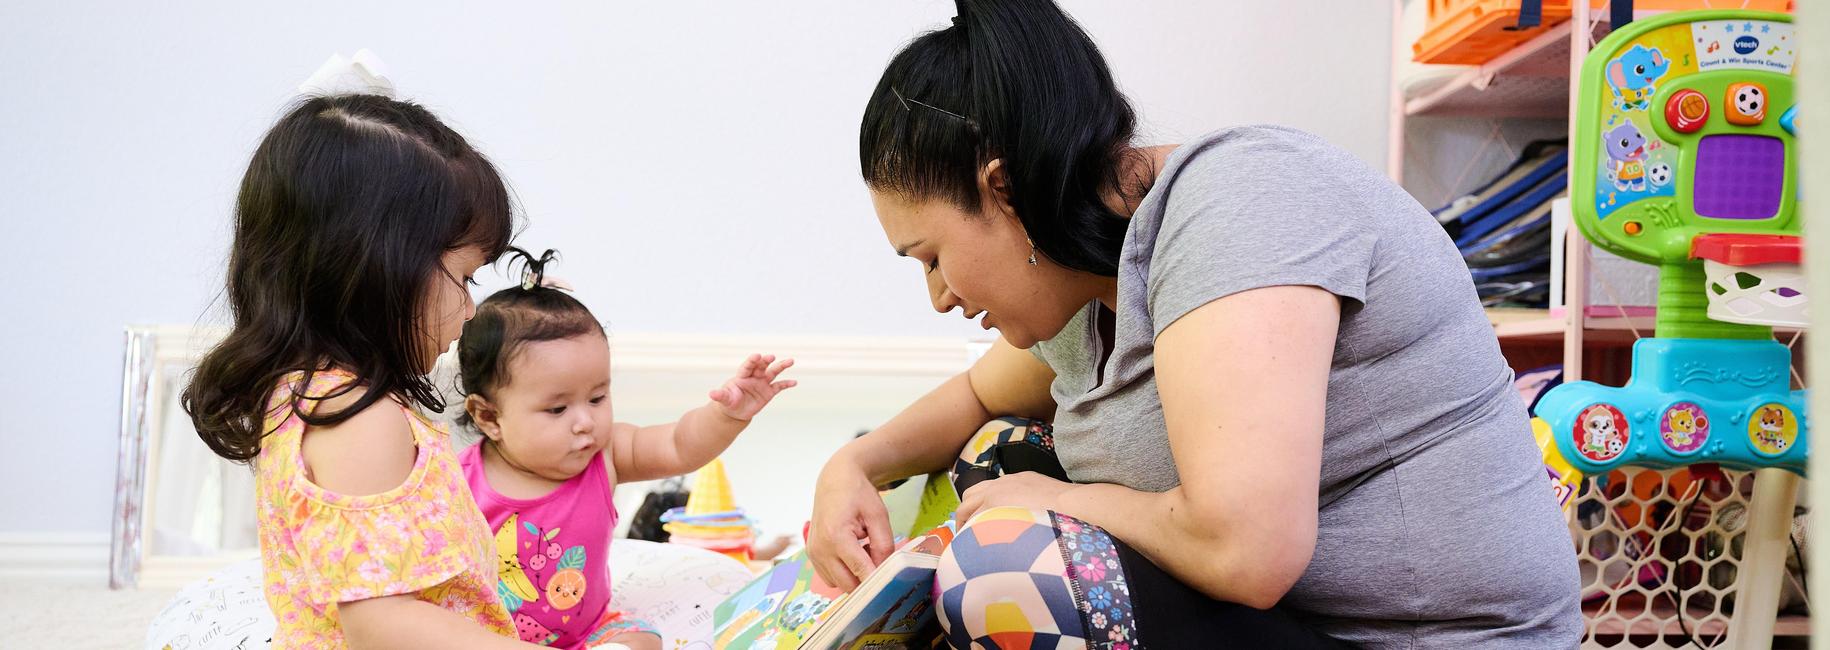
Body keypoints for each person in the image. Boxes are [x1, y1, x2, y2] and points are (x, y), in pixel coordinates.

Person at [806, 1, 1582, 647]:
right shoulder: (1087, 296)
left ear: (1002, 189)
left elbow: (1245, 551)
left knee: (1010, 561)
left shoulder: (1237, 204)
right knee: (998, 456)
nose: (938, 296)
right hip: (1299, 629)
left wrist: (1050, 500)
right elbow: (975, 399)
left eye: (932, 256)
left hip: (1434, 640)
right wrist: (852, 466)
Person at [182, 91, 529, 647]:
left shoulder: (314, 391)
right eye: (464, 277)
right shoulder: (356, 417)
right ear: (378, 267)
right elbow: (381, 622)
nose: (469, 309)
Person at [452, 249, 797, 649]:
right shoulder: (456, 483)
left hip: (591, 632)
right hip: (496, 640)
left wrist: (727, 415)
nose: (585, 421)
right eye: (558, 408)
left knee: (640, 640)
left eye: (597, 397)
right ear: (489, 417)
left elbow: (678, 445)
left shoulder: (607, 453)